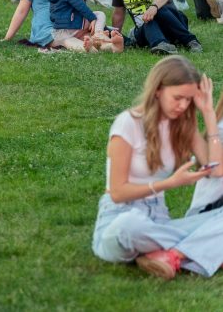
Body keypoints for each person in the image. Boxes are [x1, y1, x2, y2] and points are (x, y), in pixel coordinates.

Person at [92, 57, 223, 280]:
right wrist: (170, 183)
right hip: (120, 216)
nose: (183, 105)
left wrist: (209, 114)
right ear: (158, 91)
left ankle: (169, 254)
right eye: (177, 98)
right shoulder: (127, 123)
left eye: (188, 100)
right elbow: (117, 193)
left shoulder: (183, 124)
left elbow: (217, 170)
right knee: (130, 226)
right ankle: (193, 248)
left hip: (158, 219)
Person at [47, 0, 120, 53]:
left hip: (61, 32)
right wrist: (92, 18)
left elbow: (53, 15)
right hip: (74, 27)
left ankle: (99, 47)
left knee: (74, 43)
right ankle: (98, 34)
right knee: (99, 14)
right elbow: (80, 6)